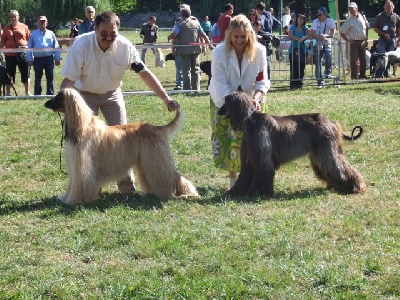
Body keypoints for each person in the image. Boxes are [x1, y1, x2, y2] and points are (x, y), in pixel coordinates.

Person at [60, 11, 179, 195]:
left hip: (112, 95)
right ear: (95, 29)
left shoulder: (125, 47)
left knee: (123, 144)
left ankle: (127, 190)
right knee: (87, 146)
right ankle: (90, 188)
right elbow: (68, 81)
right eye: (104, 33)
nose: (108, 38)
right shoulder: (81, 45)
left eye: (113, 34)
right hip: (85, 96)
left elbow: (145, 73)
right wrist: (65, 105)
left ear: (118, 31)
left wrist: (166, 98)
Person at [208, 14, 270, 189]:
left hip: (252, 99)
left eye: (244, 36)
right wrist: (234, 108)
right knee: (229, 138)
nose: (240, 40)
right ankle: (234, 180)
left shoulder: (260, 51)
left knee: (254, 140)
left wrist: (255, 99)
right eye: (236, 36)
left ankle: (251, 177)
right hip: (224, 99)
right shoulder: (218, 53)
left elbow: (262, 79)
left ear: (250, 35)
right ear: (229, 35)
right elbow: (220, 83)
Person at [167, 5, 213, 91]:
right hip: (195, 51)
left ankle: (187, 89)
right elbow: (204, 35)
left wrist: (169, 37)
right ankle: (196, 89)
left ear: (181, 15)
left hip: (184, 51)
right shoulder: (196, 23)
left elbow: (175, 34)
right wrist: (209, 45)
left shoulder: (179, 23)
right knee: (196, 71)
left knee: (186, 71)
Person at [27, 16, 61, 95]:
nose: (42, 23)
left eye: (44, 21)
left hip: (49, 58)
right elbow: (29, 47)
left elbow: (56, 46)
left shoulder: (51, 34)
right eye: (40, 22)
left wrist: (57, 58)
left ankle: (50, 94)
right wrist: (29, 58)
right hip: (37, 59)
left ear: (47, 23)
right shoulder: (33, 34)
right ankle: (37, 94)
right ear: (37, 23)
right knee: (38, 77)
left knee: (50, 77)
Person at [0, 10, 31, 96]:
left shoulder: (24, 27)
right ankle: (8, 93)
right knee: (9, 74)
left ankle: (27, 92)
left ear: (18, 17)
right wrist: (1, 52)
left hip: (23, 54)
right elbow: (2, 42)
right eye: (12, 16)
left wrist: (30, 53)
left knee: (26, 73)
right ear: (10, 17)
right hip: (10, 55)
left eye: (15, 16)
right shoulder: (6, 28)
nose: (13, 18)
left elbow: (29, 40)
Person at [340, 2, 369, 79]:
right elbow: (341, 31)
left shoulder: (362, 17)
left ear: (356, 9)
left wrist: (366, 39)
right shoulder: (349, 20)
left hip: (363, 41)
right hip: (354, 42)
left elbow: (366, 27)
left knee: (363, 59)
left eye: (352, 9)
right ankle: (354, 76)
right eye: (349, 9)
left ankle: (362, 75)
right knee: (354, 60)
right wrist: (348, 40)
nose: (350, 10)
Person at [310, 7, 336, 88]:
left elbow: (332, 33)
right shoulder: (315, 22)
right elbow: (313, 34)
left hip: (327, 42)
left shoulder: (330, 21)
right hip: (317, 43)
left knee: (328, 55)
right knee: (318, 62)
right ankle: (320, 81)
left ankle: (328, 73)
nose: (318, 16)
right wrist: (321, 37)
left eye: (320, 15)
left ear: (325, 14)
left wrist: (324, 36)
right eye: (317, 14)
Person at [373, 0, 400, 77]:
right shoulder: (379, 16)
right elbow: (375, 28)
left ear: (393, 7)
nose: (389, 8)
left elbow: (398, 29)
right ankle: (379, 73)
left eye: (390, 6)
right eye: (387, 6)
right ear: (384, 7)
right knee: (381, 55)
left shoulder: (396, 17)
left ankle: (386, 73)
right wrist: (384, 34)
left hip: (392, 39)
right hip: (382, 39)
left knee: (390, 57)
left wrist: (398, 38)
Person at [288, 14, 310, 89]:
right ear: (297, 19)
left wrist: (303, 37)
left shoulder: (305, 27)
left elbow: (309, 34)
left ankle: (299, 82)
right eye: (299, 19)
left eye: (302, 19)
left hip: (303, 49)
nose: (300, 20)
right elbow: (290, 35)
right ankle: (293, 83)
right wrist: (297, 38)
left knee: (302, 66)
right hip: (293, 49)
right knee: (294, 66)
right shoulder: (293, 27)